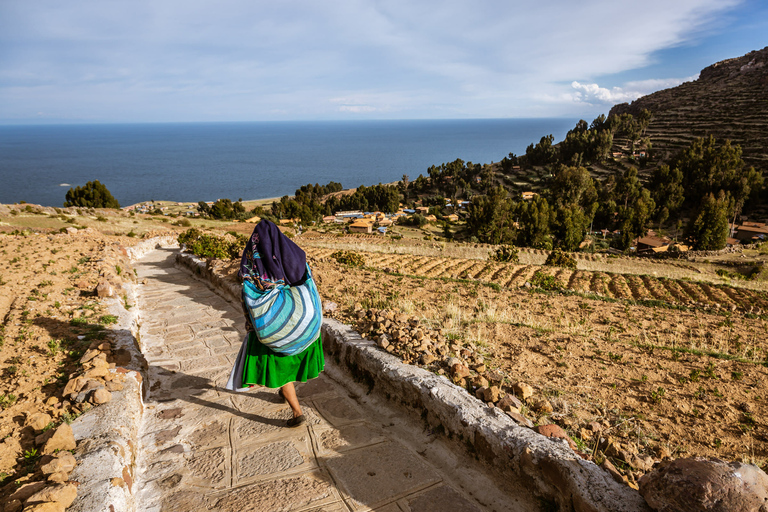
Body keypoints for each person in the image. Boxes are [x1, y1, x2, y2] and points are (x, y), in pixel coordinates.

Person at [225, 219, 324, 427]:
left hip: (275, 328)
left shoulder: (254, 266)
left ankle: (297, 413)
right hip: (300, 324)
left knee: (281, 368)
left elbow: (245, 287)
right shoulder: (294, 255)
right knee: (290, 364)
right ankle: (285, 392)